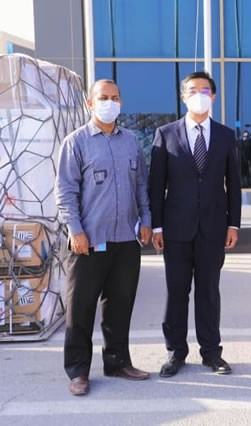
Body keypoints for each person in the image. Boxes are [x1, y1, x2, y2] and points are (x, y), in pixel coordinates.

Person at [55, 79, 152, 396]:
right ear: (89, 103)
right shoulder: (76, 142)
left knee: (120, 305)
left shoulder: (132, 141)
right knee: (80, 307)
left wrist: (146, 220)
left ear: (121, 103)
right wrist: (75, 230)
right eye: (103, 98)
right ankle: (78, 371)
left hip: (126, 239)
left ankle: (118, 361)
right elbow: (66, 192)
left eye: (114, 98)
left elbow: (141, 188)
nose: (109, 102)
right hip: (88, 241)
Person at [148, 71, 242, 378]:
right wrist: (158, 226)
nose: (199, 94)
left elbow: (235, 184)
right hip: (175, 229)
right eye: (192, 90)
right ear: (183, 96)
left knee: (208, 292)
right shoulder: (165, 133)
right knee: (176, 292)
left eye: (205, 90)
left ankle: (212, 353)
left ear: (213, 97)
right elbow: (156, 184)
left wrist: (234, 225)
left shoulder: (226, 136)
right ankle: (175, 352)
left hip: (214, 228)